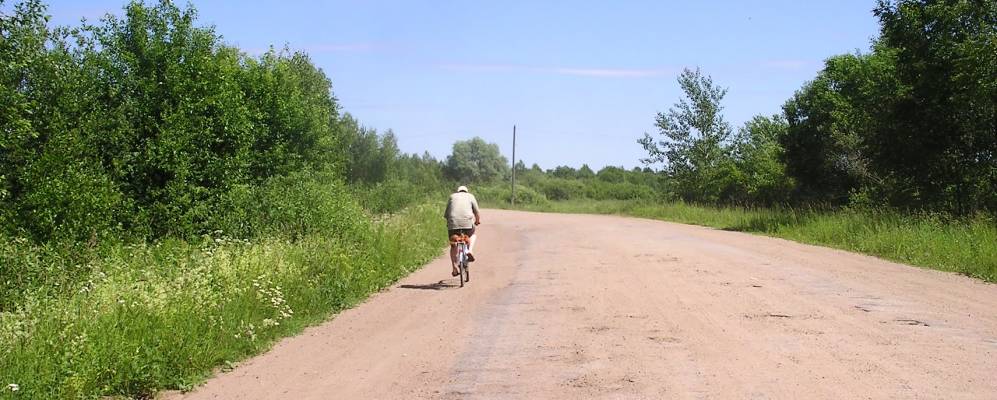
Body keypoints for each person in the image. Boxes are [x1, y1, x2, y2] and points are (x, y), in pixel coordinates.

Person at [444, 185, 480, 277]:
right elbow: (477, 212)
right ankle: (469, 251)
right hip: (467, 223)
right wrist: (477, 221)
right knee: (472, 235)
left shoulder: (452, 196)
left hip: (453, 223)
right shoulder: (470, 196)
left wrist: (449, 222)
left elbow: (446, 214)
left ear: (458, 191)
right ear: (466, 191)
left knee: (453, 244)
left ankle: (454, 267)